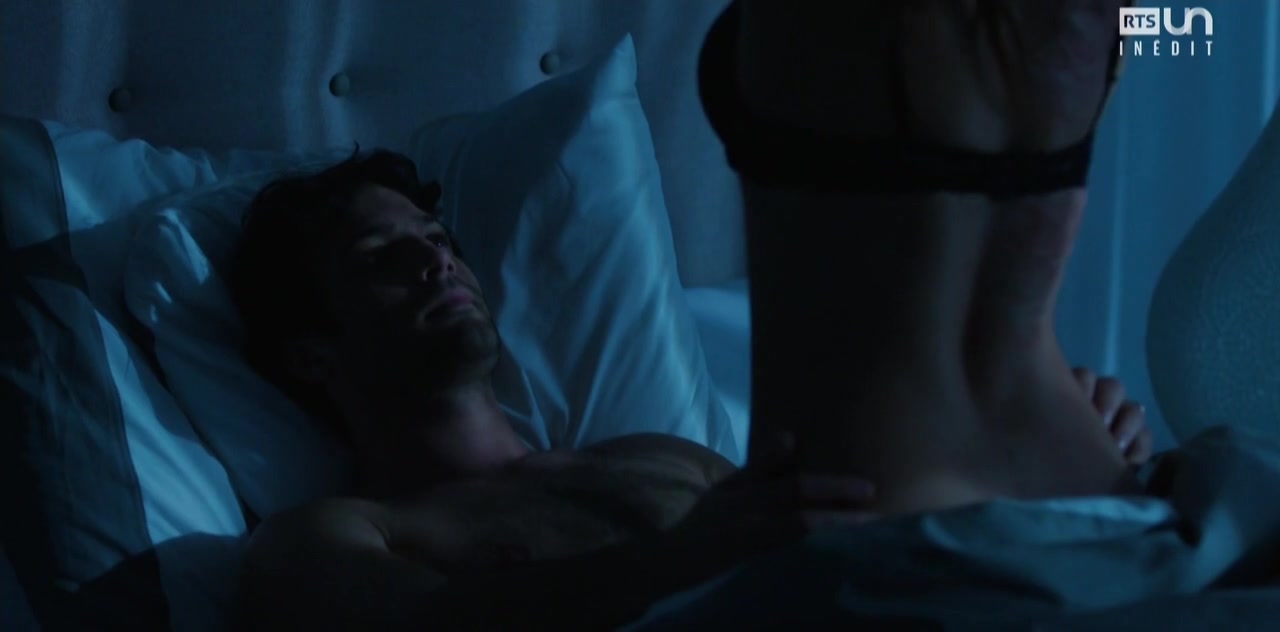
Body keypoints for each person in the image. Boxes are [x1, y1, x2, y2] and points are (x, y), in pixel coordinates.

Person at [235, 0, 1151, 628]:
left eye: (436, 237)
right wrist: (677, 564)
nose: (434, 258)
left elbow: (842, 517)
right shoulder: (334, 534)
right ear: (310, 354)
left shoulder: (660, 456)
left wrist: (1040, 439)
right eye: (381, 258)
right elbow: (425, 626)